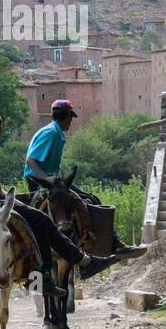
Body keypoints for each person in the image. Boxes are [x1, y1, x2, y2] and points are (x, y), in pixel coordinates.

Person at [0, 105, 119, 293]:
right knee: (40, 219)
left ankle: (63, 268)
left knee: (38, 216)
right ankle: (60, 270)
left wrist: (16, 201)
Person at [24, 99, 147, 259]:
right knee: (82, 201)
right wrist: (47, 179)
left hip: (53, 181)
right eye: (71, 118)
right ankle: (111, 244)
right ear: (66, 116)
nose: (71, 122)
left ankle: (100, 243)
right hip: (40, 182)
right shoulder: (50, 133)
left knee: (91, 198)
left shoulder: (55, 132)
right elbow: (30, 161)